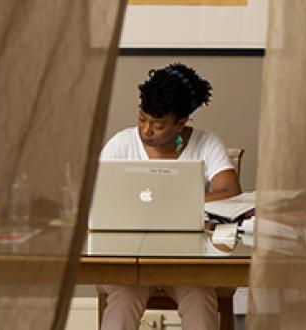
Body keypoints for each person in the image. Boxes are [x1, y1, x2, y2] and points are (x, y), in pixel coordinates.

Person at [99, 63, 241, 330]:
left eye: (158, 124)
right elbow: (97, 196)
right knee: (123, 300)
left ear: (181, 122)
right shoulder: (121, 144)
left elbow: (231, 193)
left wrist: (177, 203)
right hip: (129, 258)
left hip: (189, 259)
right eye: (142, 119)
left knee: (199, 299)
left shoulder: (206, 143)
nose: (146, 131)